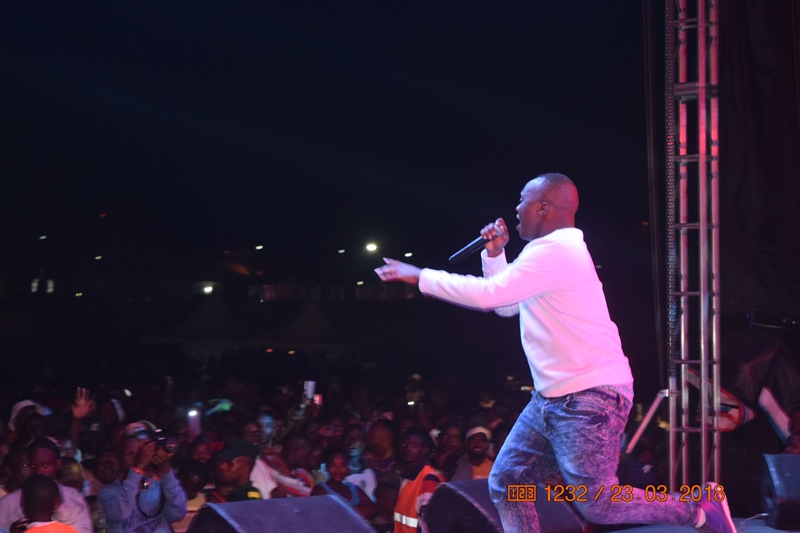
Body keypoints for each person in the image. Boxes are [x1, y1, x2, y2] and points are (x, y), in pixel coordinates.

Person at [375, 173, 736, 533]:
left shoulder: (555, 251)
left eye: (523, 199)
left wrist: (420, 276)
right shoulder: (548, 254)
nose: (516, 208)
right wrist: (495, 254)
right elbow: (506, 304)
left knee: (598, 504)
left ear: (543, 207)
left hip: (589, 395)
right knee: (508, 480)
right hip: (556, 397)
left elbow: (489, 296)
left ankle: (699, 510)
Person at [97, 427, 186, 533]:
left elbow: (177, 514)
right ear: (118, 461)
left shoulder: (157, 485)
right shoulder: (108, 492)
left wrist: (165, 469)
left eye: (140, 452)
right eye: (130, 454)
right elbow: (120, 514)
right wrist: (138, 467)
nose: (137, 456)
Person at [0, 437, 91, 533]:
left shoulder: (73, 498)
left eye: (45, 465)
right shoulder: (8, 502)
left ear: (57, 464)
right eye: (32, 465)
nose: (38, 471)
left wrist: (60, 510)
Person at [393, 426, 443, 533]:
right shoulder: (407, 477)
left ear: (425, 450)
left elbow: (430, 525)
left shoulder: (429, 479)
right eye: (404, 445)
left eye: (414, 445)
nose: (407, 449)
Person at [310, 447, 378, 521]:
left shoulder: (354, 488)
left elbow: (373, 510)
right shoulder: (320, 489)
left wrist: (342, 511)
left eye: (343, 465)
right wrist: (358, 510)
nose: (338, 470)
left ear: (348, 468)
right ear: (326, 467)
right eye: (333, 465)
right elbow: (328, 516)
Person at [206, 438, 262, 503]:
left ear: (245, 467)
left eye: (229, 463)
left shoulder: (250, 499)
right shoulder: (225, 493)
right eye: (220, 461)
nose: (222, 467)